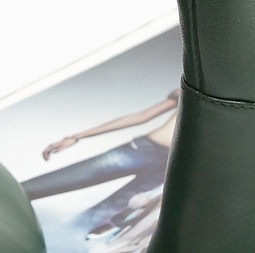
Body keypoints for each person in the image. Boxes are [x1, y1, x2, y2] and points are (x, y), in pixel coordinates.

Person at [21, 87, 178, 231]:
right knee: (50, 184)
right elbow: (141, 117)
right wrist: (76, 137)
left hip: (170, 169)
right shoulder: (189, 90)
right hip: (144, 150)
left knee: (98, 218)